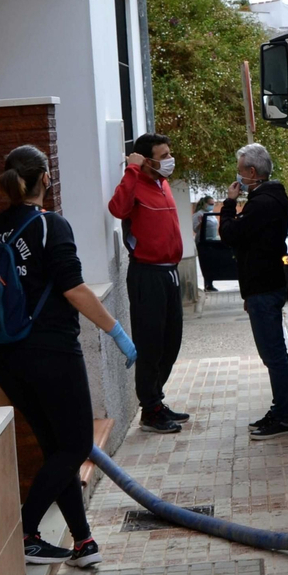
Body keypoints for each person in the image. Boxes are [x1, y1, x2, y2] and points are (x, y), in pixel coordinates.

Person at [0, 145, 138, 568]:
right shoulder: (51, 226)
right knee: (76, 444)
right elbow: (74, 289)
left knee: (58, 449)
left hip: (7, 359)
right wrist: (117, 331)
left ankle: (83, 542)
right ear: (46, 179)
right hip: (51, 354)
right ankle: (26, 531)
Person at [107, 132, 186, 435]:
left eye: (169, 153)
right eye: (163, 155)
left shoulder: (161, 184)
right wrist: (132, 169)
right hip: (147, 274)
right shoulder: (136, 182)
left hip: (170, 272)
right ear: (147, 160)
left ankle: (156, 399)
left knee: (171, 340)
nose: (169, 160)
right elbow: (117, 209)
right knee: (151, 343)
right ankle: (150, 409)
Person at [217, 142, 288, 439]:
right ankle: (279, 410)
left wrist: (228, 202)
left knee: (273, 354)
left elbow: (229, 234)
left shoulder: (262, 202)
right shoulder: (272, 197)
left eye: (240, 172)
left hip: (263, 287)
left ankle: (283, 417)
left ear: (252, 172)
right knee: (272, 353)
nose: (239, 178)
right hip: (264, 285)